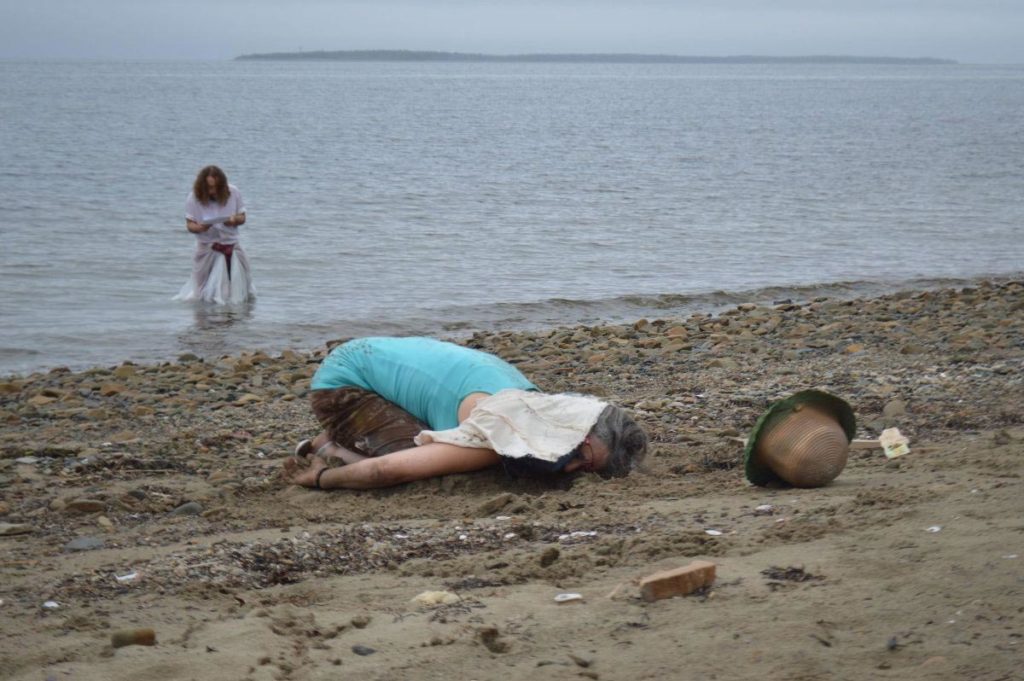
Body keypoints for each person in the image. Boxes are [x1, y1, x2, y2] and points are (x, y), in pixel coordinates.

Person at [283, 337, 648, 490]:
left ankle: (348, 434)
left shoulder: (539, 403)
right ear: (573, 431)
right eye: (579, 455)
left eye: (583, 470)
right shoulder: (501, 430)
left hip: (382, 360)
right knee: (415, 465)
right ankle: (330, 448)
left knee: (437, 451)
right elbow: (386, 471)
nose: (567, 468)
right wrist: (320, 480)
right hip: (347, 380)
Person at [173, 165, 255, 304]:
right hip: (207, 247)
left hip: (231, 245)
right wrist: (200, 228)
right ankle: (204, 322)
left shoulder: (233, 192)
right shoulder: (193, 197)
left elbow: (242, 217)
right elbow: (189, 225)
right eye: (209, 188)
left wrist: (233, 219)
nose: (213, 191)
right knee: (202, 292)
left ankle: (234, 322)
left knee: (240, 287)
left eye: (216, 187)